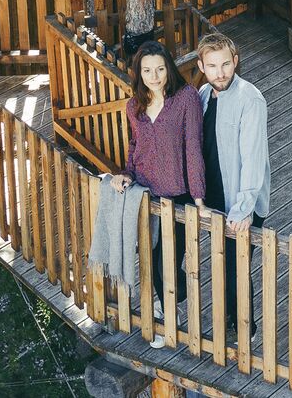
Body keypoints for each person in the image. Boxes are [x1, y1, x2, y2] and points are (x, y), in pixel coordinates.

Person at [107, 41, 203, 348]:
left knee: (166, 262)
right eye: (147, 70)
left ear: (169, 68)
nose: (154, 76)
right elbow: (135, 147)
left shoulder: (186, 98)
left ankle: (167, 319)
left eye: (160, 69)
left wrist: (198, 197)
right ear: (139, 73)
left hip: (178, 194)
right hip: (145, 194)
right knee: (149, 258)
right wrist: (126, 173)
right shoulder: (134, 105)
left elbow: (193, 148)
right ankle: (166, 303)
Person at [194, 32, 269, 342]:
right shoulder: (203, 94)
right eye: (212, 66)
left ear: (235, 61)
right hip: (214, 195)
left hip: (241, 201)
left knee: (237, 267)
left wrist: (243, 209)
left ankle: (244, 330)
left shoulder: (250, 99)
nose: (220, 73)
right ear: (201, 66)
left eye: (225, 64)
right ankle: (228, 319)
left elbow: (252, 158)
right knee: (222, 262)